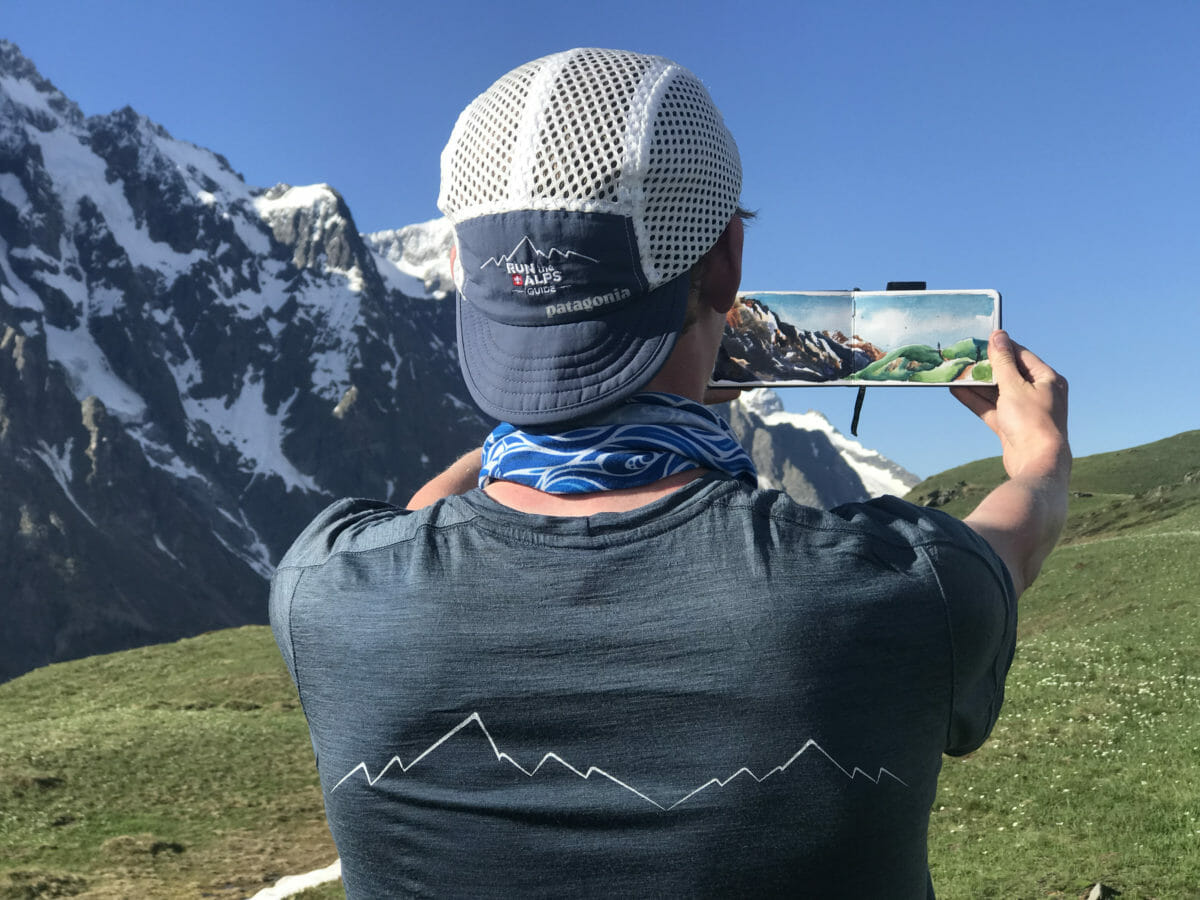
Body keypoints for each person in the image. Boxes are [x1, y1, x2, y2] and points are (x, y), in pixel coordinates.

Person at [270, 48, 1070, 898]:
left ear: (466, 276)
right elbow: (1010, 541)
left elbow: (420, 520)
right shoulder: (900, 590)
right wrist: (1043, 458)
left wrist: (549, 413)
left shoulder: (324, 590)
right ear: (724, 261)